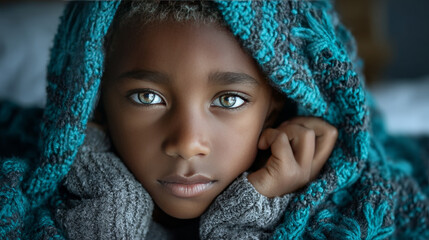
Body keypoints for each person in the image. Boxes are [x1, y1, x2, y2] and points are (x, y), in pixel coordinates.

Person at [1, 1, 428, 239]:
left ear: (276, 104)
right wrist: (108, 199)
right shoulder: (25, 198)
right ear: (92, 100)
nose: (187, 143)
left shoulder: (356, 208)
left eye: (228, 98)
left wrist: (252, 208)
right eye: (146, 97)